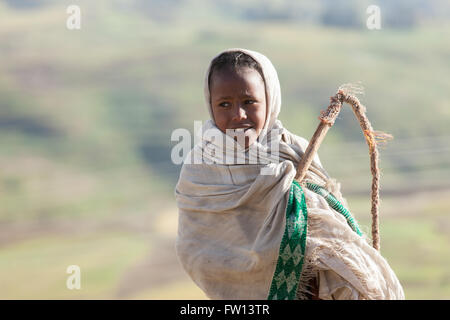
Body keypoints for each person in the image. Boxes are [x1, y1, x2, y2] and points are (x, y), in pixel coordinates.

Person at [174, 48, 404, 300]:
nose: (238, 115)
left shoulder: (294, 150)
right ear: (210, 104)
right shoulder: (201, 169)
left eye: (249, 102)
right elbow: (197, 252)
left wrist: (301, 207)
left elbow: (333, 225)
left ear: (270, 100)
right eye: (224, 104)